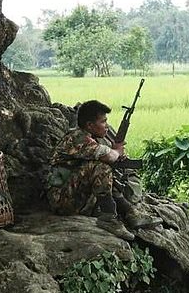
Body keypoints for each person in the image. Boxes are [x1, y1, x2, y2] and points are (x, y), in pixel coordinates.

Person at [46, 100, 161, 240]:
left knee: (103, 167)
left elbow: (110, 156)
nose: (107, 126)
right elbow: (109, 156)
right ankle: (109, 218)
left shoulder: (89, 138)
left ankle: (130, 212)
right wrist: (117, 151)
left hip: (73, 194)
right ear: (89, 125)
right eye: (103, 122)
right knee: (101, 167)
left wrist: (116, 153)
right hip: (61, 201)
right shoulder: (78, 139)